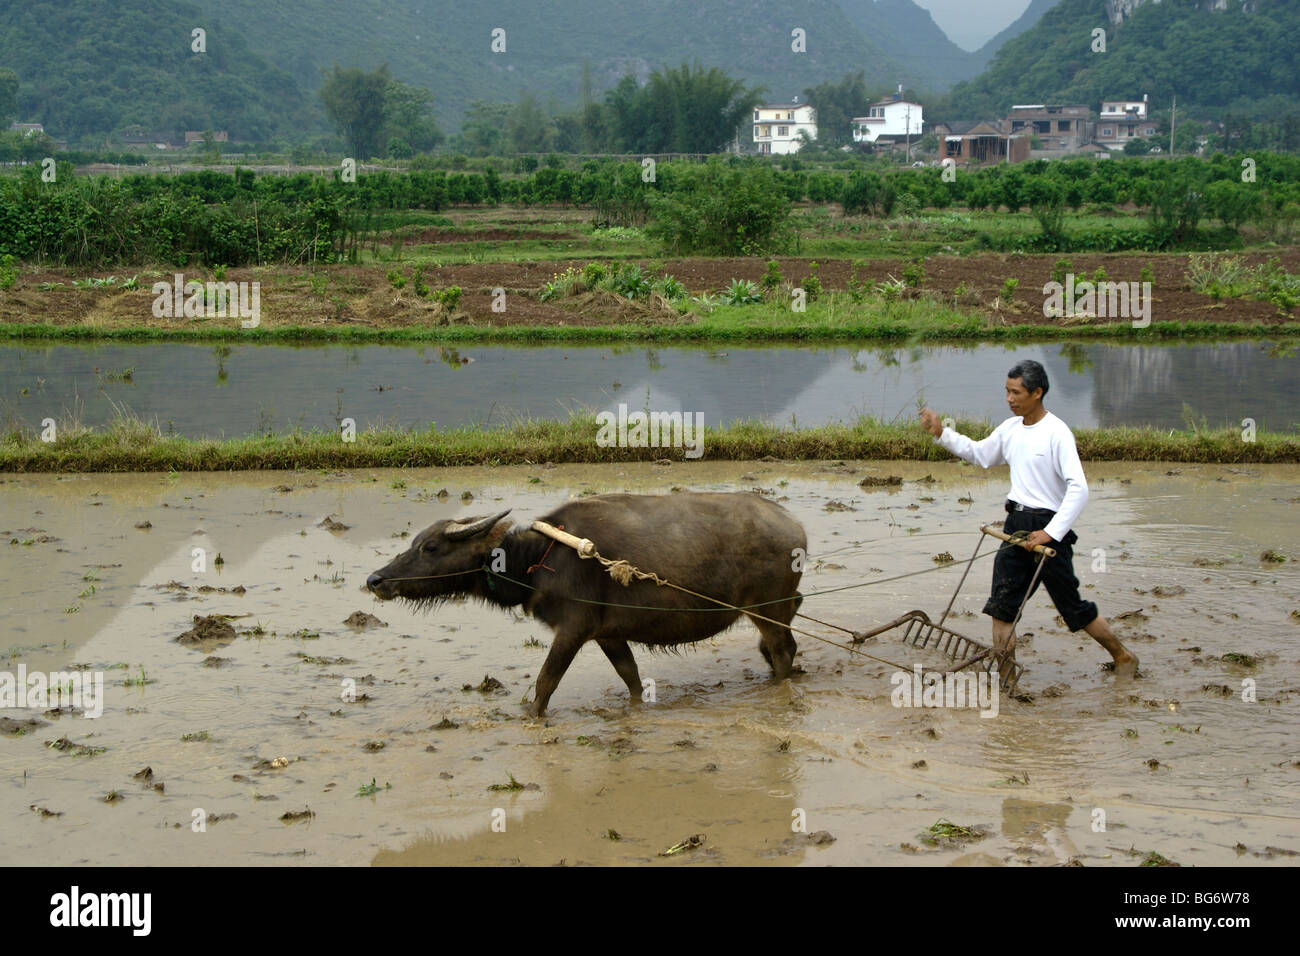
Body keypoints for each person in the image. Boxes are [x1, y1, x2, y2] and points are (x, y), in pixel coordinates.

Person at [919, 359, 1138, 677]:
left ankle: (1123, 656)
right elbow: (981, 455)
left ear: (1037, 392)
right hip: (1016, 528)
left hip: (1049, 530)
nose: (1009, 399)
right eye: (1006, 391)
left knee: (1072, 607)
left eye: (1016, 392)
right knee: (1001, 607)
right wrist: (942, 433)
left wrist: (1050, 532)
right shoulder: (1010, 430)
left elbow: (1079, 489)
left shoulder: (1057, 433)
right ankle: (1007, 680)